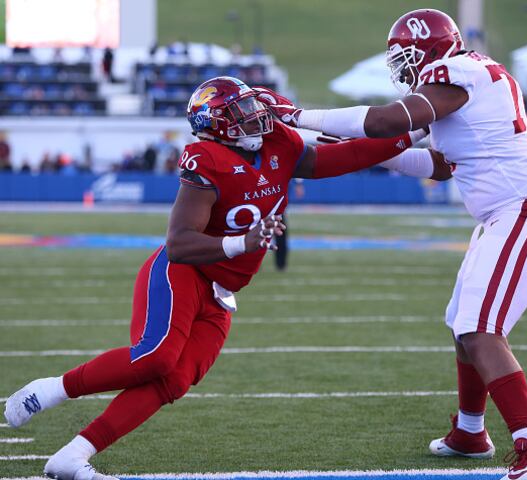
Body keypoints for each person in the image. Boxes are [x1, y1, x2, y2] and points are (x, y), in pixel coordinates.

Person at [3, 76, 448, 480]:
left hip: (222, 290)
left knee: (173, 381)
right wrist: (242, 243)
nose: (255, 117)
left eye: (251, 107)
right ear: (214, 125)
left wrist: (405, 135)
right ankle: (53, 389)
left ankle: (73, 456)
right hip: (183, 272)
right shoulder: (205, 159)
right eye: (240, 113)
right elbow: (179, 242)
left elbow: (339, 157)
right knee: (156, 358)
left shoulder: (279, 143)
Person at [257, 9, 527, 480]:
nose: (402, 68)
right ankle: (469, 432)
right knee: (461, 322)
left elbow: (385, 123)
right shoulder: (460, 88)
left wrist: (298, 114)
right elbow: (438, 166)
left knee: (480, 328)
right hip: (506, 213)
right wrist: (340, 142)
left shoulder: (457, 73)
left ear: (432, 50)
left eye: (406, 57)